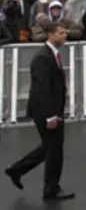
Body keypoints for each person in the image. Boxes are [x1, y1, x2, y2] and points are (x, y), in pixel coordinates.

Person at [5, 22, 75, 201]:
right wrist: (51, 115)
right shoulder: (42, 58)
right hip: (45, 111)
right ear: (50, 35)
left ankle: (17, 170)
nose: (65, 35)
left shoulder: (51, 54)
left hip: (50, 109)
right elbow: (41, 89)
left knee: (48, 148)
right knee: (55, 150)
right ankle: (51, 189)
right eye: (61, 33)